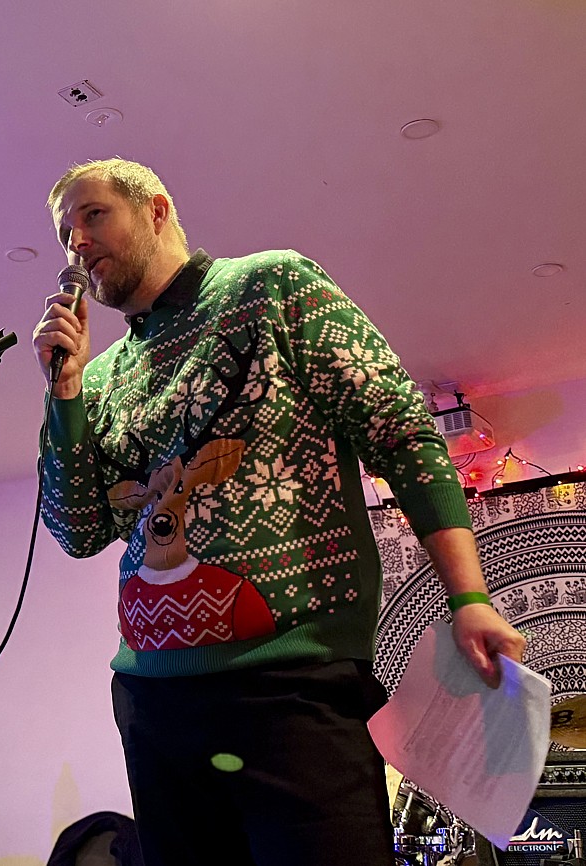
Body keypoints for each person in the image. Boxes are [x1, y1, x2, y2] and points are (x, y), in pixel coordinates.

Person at [30, 158, 525, 866]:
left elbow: (402, 434)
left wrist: (468, 598)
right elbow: (78, 529)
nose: (75, 241)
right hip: (152, 702)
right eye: (63, 232)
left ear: (156, 209)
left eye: (92, 214)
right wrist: (66, 396)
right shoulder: (102, 375)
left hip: (289, 686)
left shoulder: (272, 286)